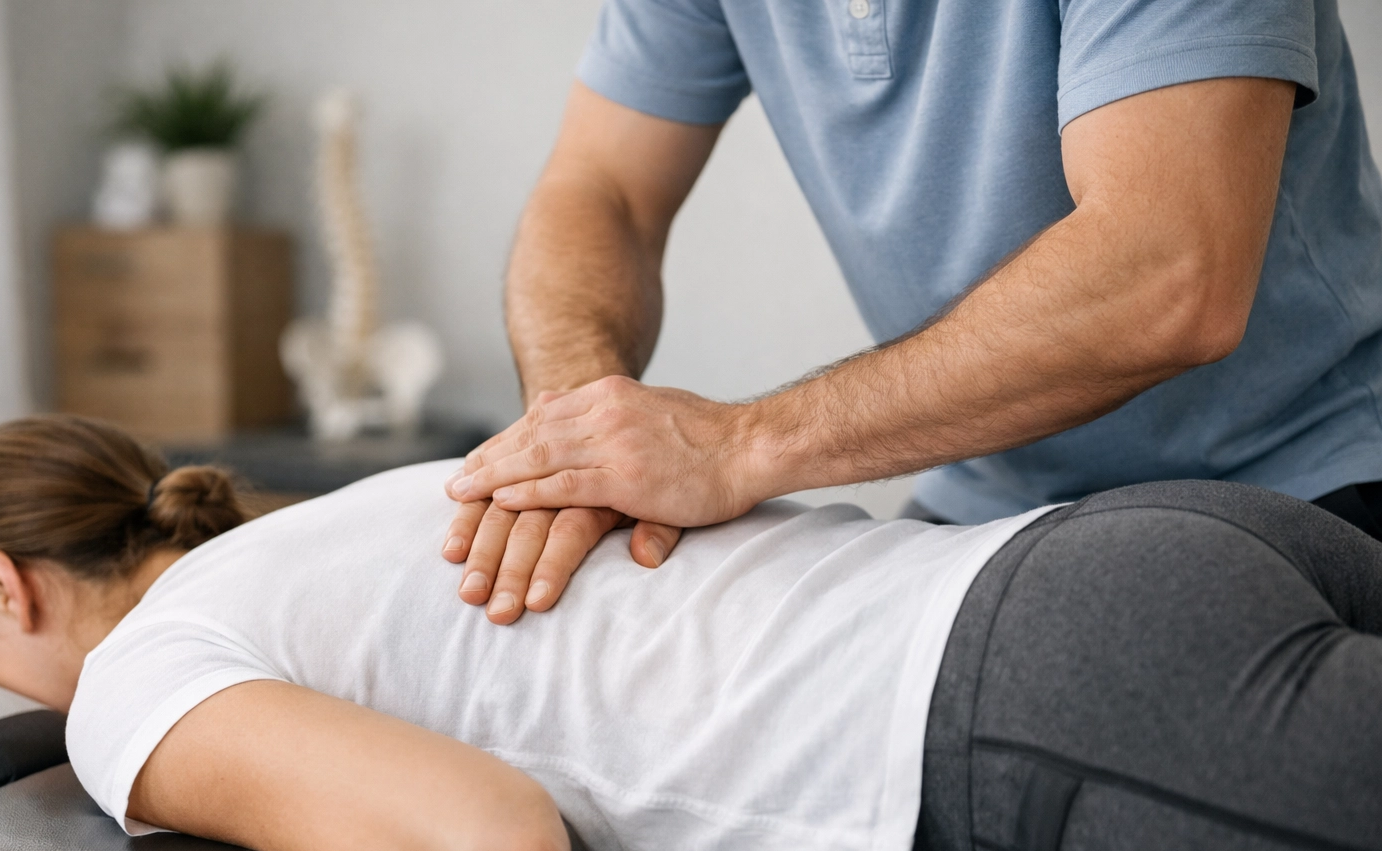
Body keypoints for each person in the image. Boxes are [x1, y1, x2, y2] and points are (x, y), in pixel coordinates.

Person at [0, 415, 1382, 851]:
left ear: (1, 587)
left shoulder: (138, 682)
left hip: (1039, 705)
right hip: (1140, 548)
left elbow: (487, 845)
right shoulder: (357, 511)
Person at [437, 0, 1382, 628]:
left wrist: (738, 446)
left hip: (1300, 483)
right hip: (990, 505)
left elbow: (1172, 274)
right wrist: (564, 445)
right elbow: (600, 191)